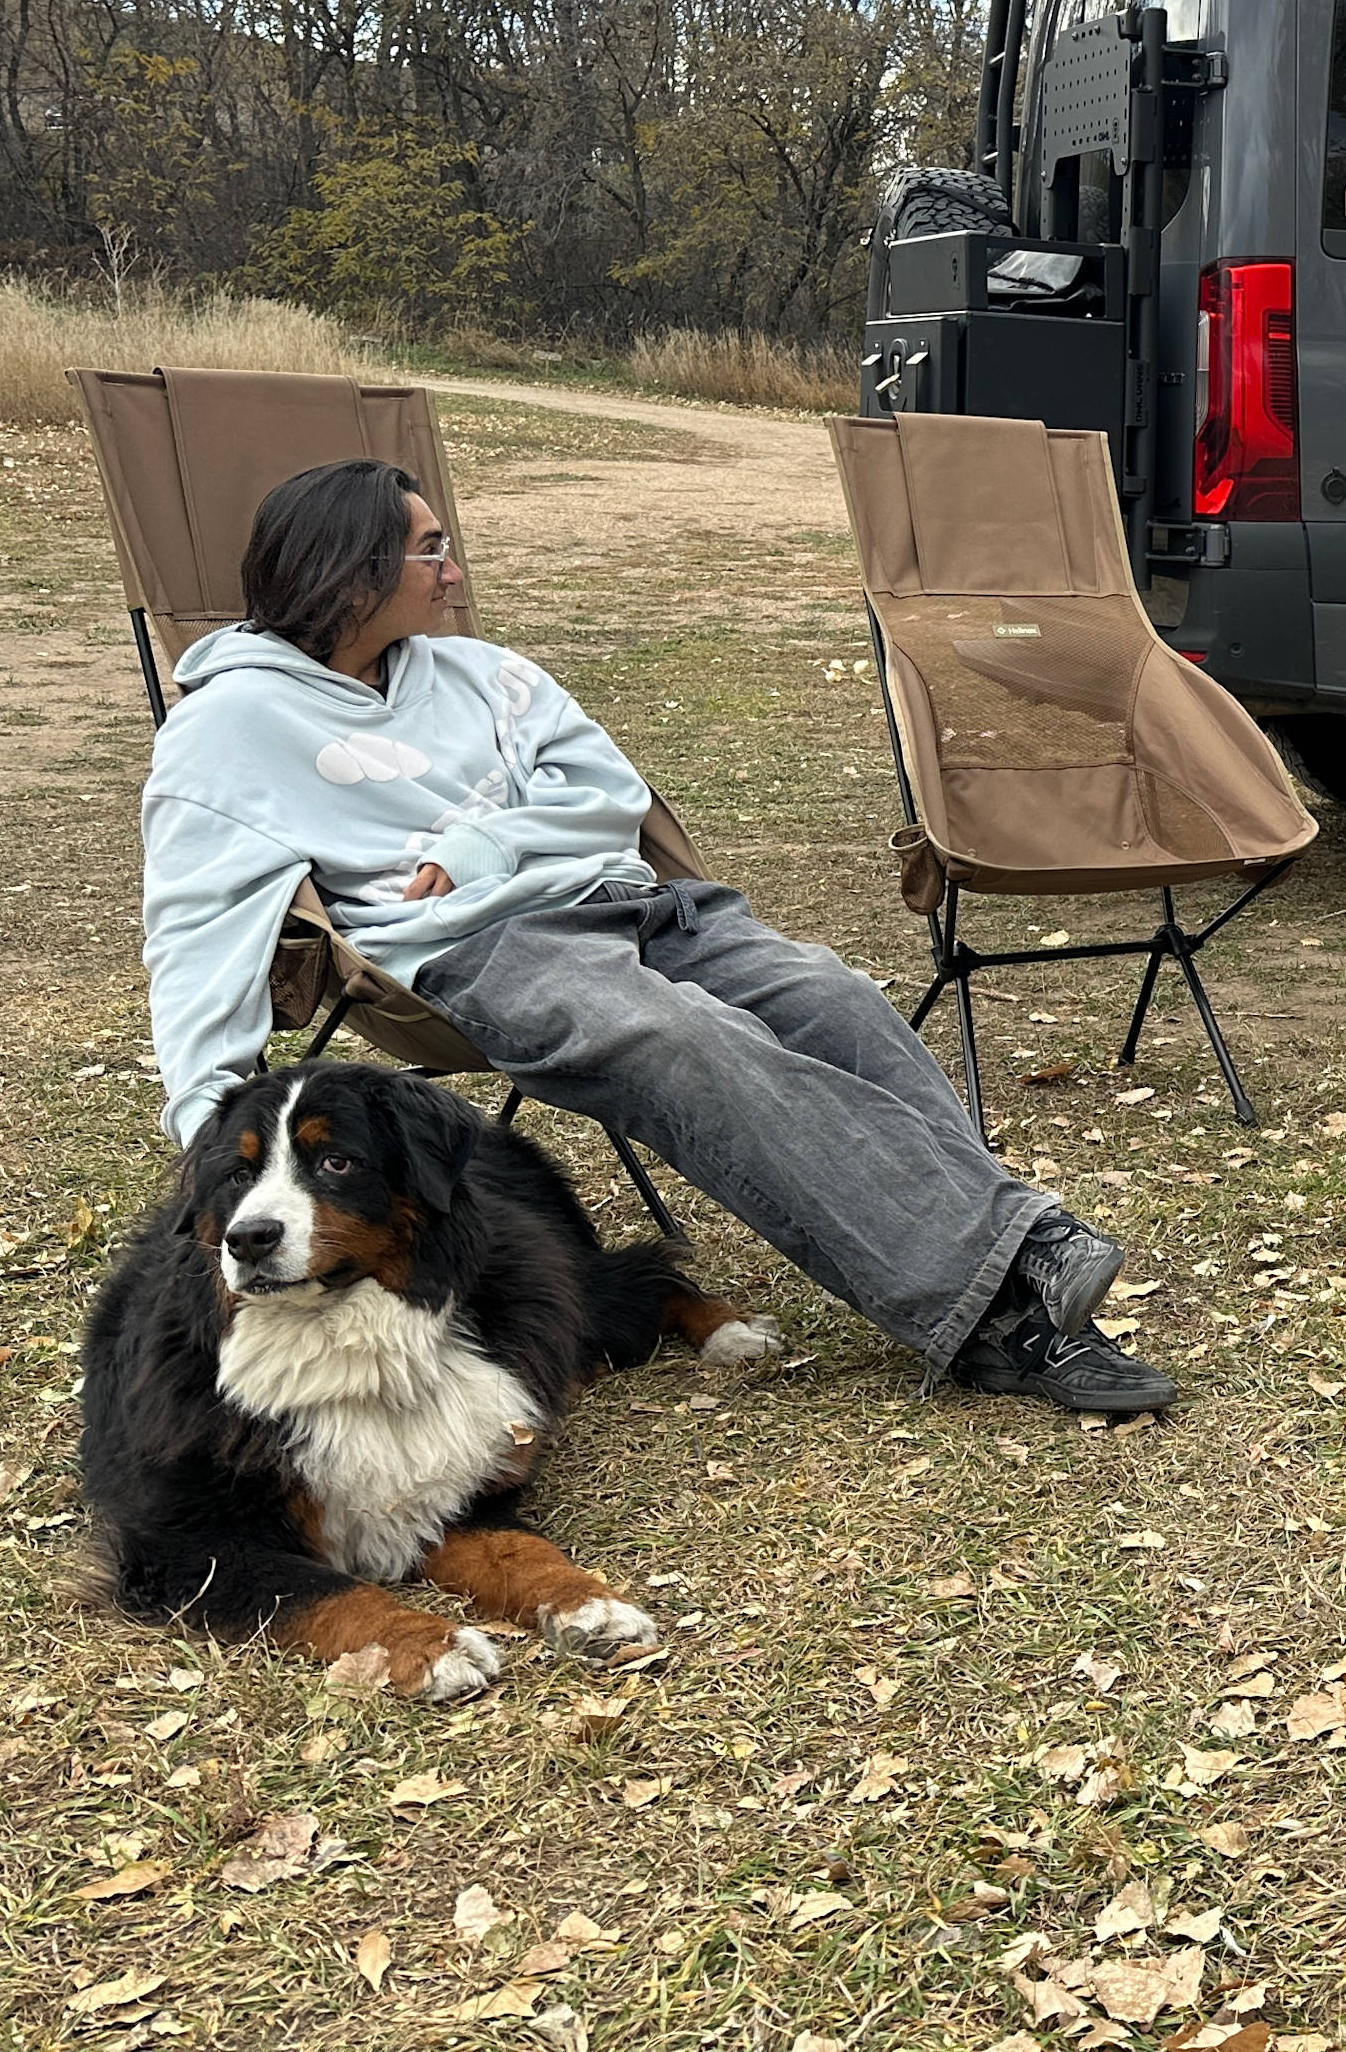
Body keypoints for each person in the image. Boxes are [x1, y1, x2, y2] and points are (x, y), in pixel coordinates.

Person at [136, 459, 1175, 1418]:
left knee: (829, 997)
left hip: (633, 903)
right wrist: (212, 1149)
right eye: (429, 550)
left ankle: (1005, 1255)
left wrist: (489, 841)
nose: (454, 572)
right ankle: (1002, 1307)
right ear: (350, 572)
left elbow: (606, 793)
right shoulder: (228, 733)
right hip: (483, 954)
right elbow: (195, 925)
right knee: (679, 1038)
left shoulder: (484, 672)